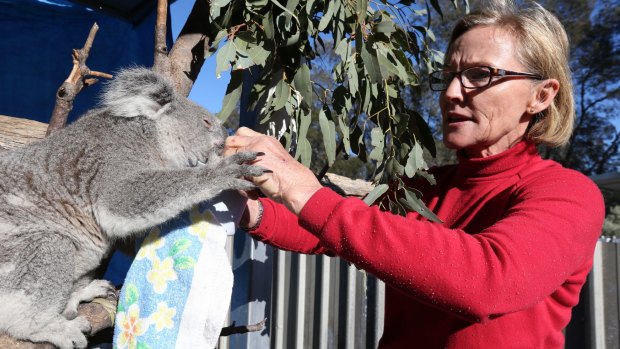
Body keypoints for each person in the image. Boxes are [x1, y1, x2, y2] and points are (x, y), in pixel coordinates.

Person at [224, 0, 605, 347]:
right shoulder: (424, 187)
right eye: (448, 76)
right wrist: (244, 210)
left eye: (479, 74)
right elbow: (334, 230)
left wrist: (302, 188)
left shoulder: (567, 194)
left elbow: (491, 280)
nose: (452, 92)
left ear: (541, 95)